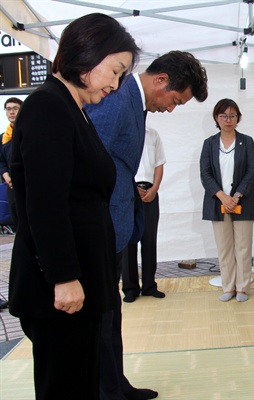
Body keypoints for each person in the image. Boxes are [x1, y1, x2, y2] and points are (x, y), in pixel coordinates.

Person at [7, 13, 139, 400]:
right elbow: (46, 202)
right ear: (86, 55)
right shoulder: (48, 106)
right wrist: (64, 277)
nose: (115, 85)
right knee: (65, 387)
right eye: (114, 71)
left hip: (80, 282)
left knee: (80, 382)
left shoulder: (71, 107)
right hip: (61, 291)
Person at [85, 50, 208, 400]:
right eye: (175, 101)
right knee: (102, 317)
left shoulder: (132, 103)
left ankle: (115, 384)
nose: (171, 109)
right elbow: (93, 163)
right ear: (161, 81)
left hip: (115, 222)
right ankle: (107, 389)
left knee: (111, 315)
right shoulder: (118, 99)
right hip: (101, 224)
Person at [200, 99, 254, 302]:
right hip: (218, 203)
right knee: (224, 247)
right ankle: (228, 287)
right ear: (216, 118)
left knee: (243, 247)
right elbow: (205, 174)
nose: (228, 120)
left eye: (232, 115)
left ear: (238, 118)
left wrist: (236, 196)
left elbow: (251, 171)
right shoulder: (209, 144)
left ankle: (242, 287)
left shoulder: (247, 141)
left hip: (242, 202)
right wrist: (222, 196)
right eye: (224, 116)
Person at [122, 126, 166, 303]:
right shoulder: (123, 132)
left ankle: (149, 285)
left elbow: (159, 163)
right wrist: (132, 188)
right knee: (128, 242)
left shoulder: (152, 133)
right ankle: (130, 288)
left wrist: (154, 189)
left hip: (150, 193)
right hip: (128, 192)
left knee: (149, 240)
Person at [0, 97, 23, 235]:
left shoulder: (29, 132)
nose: (11, 112)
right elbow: (1, 161)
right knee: (16, 218)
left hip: (27, 183)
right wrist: (6, 176)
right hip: (11, 185)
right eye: (8, 109)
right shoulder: (4, 137)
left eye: (15, 108)